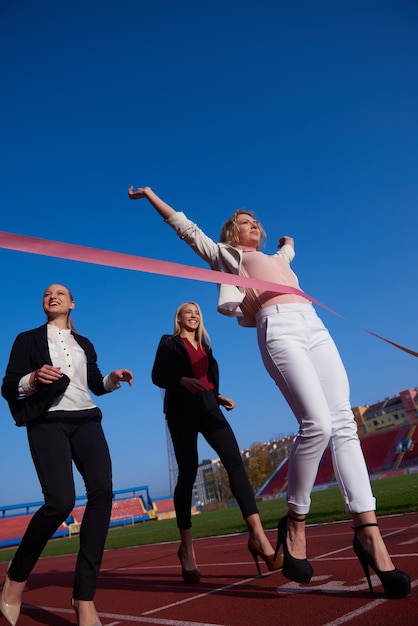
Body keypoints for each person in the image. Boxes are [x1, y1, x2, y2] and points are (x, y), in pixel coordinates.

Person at [129, 184, 411, 599]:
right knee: (315, 424)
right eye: (245, 223)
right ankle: (295, 522)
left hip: (314, 325)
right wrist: (153, 196)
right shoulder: (230, 256)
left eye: (256, 222)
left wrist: (289, 245)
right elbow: (187, 230)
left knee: (343, 426)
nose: (254, 226)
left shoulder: (277, 257)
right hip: (277, 326)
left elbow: (285, 257)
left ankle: (370, 537)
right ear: (231, 234)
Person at [1, 284, 133, 626]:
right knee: (60, 502)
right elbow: (8, 385)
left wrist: (113, 379)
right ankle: (15, 578)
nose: (52, 296)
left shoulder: (84, 343)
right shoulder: (26, 339)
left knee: (102, 492)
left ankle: (84, 597)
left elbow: (94, 384)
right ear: (43, 304)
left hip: (86, 417)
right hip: (47, 421)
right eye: (46, 294)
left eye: (60, 293)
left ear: (72, 303)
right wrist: (32, 378)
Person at [152, 301, 283, 582]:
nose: (194, 315)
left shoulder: (207, 349)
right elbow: (157, 377)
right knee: (187, 473)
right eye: (188, 311)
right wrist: (182, 380)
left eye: (197, 312)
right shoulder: (169, 343)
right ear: (178, 318)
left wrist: (218, 396)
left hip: (210, 408)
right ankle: (186, 548)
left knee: (235, 462)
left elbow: (208, 381)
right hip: (182, 411)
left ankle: (258, 536)